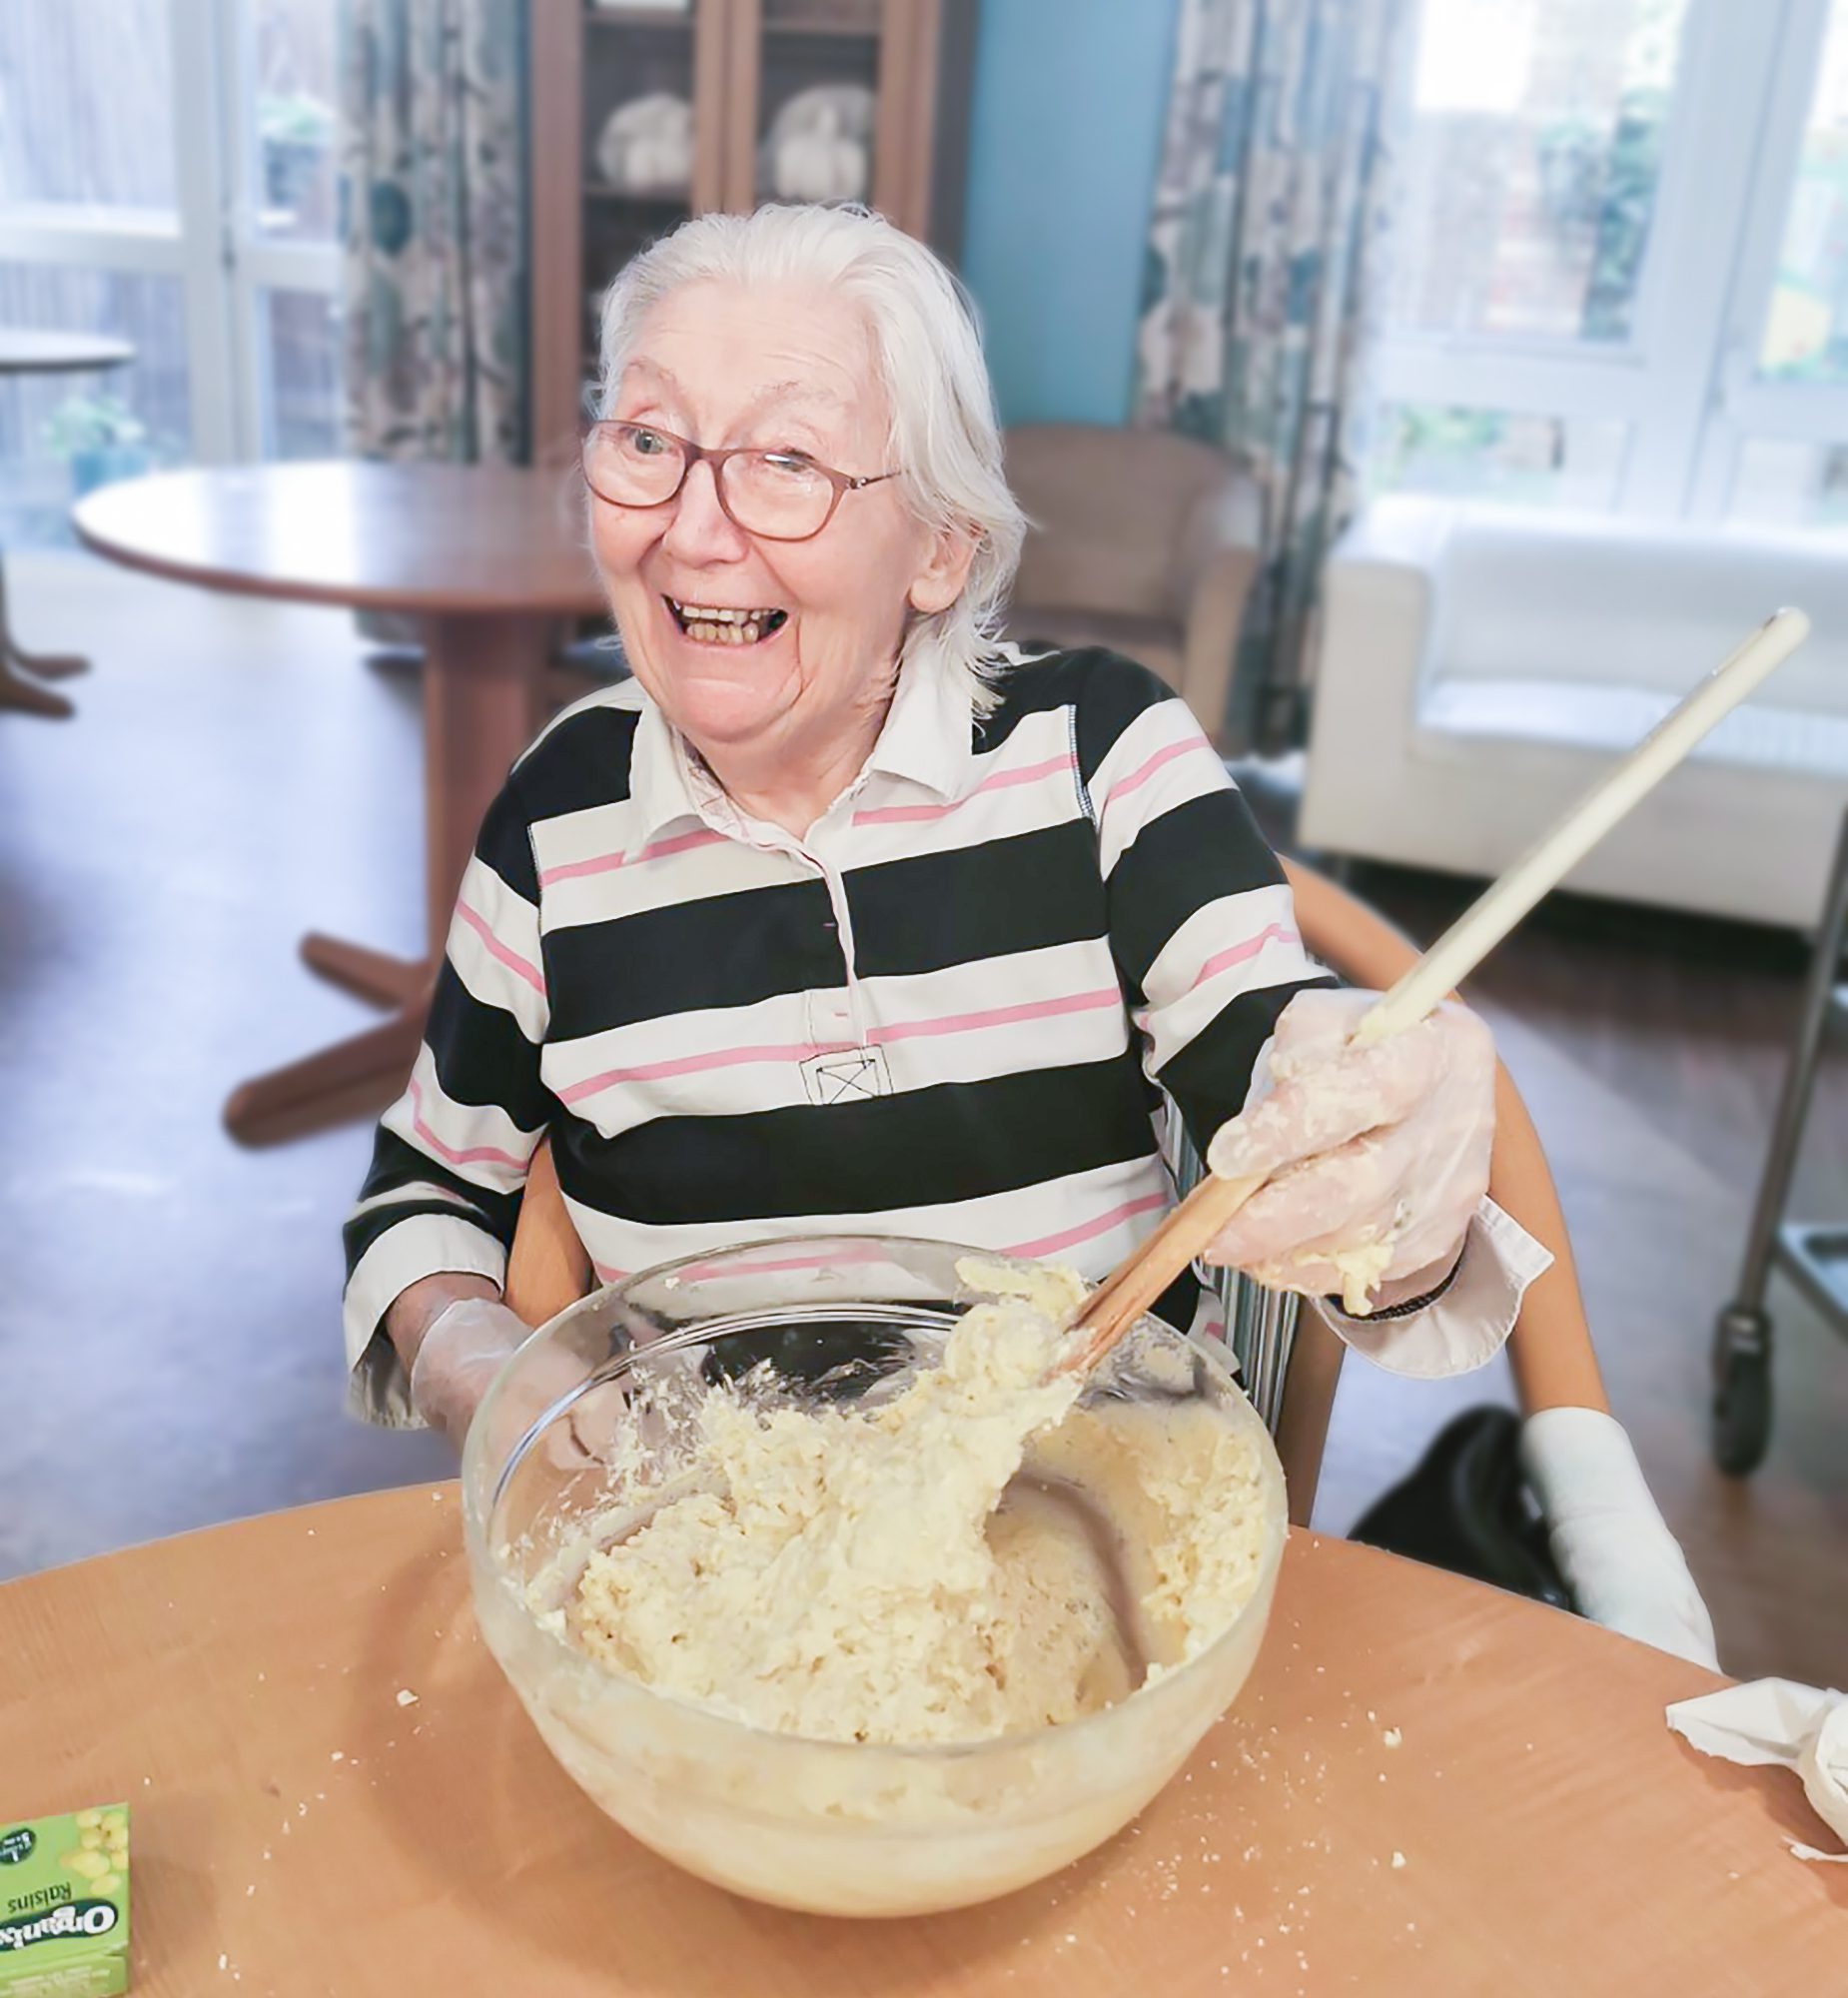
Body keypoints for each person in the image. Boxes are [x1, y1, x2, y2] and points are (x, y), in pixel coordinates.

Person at [342, 204, 1714, 1667]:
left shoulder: (1100, 754)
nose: (690, 527)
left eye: (785, 463)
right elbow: (424, 1192)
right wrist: (473, 1352)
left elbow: (1284, 1089)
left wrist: (1384, 1163)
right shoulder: (555, 818)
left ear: (939, 547)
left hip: (1098, 1539)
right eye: (648, 443)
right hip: (721, 1566)